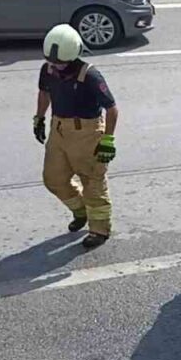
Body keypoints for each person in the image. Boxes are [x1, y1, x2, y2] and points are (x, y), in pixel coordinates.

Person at [34, 24, 118, 249]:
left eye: (59, 62)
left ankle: (99, 229)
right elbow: (44, 92)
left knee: (93, 181)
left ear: (73, 56)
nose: (54, 66)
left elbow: (112, 109)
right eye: (51, 61)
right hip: (59, 129)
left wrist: (108, 140)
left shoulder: (89, 75)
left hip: (87, 133)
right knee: (53, 179)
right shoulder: (47, 69)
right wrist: (39, 118)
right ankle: (81, 211)